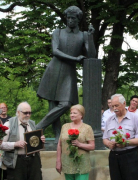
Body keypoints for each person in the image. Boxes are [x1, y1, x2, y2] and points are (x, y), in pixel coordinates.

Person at [36, 6, 96, 142]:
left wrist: (91, 38)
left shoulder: (83, 35)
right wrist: (75, 59)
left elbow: (91, 55)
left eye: (73, 18)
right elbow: (55, 51)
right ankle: (58, 138)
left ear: (78, 19)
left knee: (66, 104)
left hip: (68, 72)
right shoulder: (57, 32)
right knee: (53, 106)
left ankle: (39, 126)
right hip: (54, 69)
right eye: (68, 18)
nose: (70, 20)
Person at [103, 94, 138, 180]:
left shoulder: (135, 118)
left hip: (130, 156)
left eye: (117, 105)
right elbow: (105, 138)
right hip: (114, 156)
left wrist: (126, 142)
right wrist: (108, 143)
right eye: (113, 106)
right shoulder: (109, 120)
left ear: (124, 103)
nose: (114, 108)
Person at [0, 102, 45, 180]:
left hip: (33, 161)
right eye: (25, 113)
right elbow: (0, 144)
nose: (28, 115)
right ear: (18, 112)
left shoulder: (32, 124)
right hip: (17, 161)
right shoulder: (9, 124)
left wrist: (41, 140)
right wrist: (15, 144)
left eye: (30, 113)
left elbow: (34, 141)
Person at [56, 104, 95, 180]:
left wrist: (79, 144)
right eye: (71, 113)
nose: (72, 115)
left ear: (81, 115)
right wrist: (58, 161)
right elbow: (59, 145)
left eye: (75, 113)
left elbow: (92, 146)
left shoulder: (87, 128)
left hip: (82, 164)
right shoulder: (64, 126)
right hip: (67, 163)